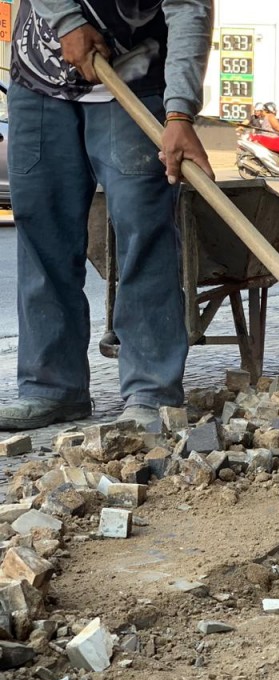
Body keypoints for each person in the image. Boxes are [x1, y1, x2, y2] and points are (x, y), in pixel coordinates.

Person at [0, 0, 214, 431]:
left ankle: (152, 393)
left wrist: (179, 113)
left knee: (145, 231)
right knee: (43, 231)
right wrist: (67, 21)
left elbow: (189, 8)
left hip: (135, 83)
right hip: (38, 79)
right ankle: (50, 388)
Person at [247, 101, 279, 168]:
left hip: (267, 138)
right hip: (269, 139)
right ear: (271, 109)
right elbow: (277, 127)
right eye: (275, 108)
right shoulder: (270, 116)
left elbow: (275, 130)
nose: (276, 110)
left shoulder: (266, 117)